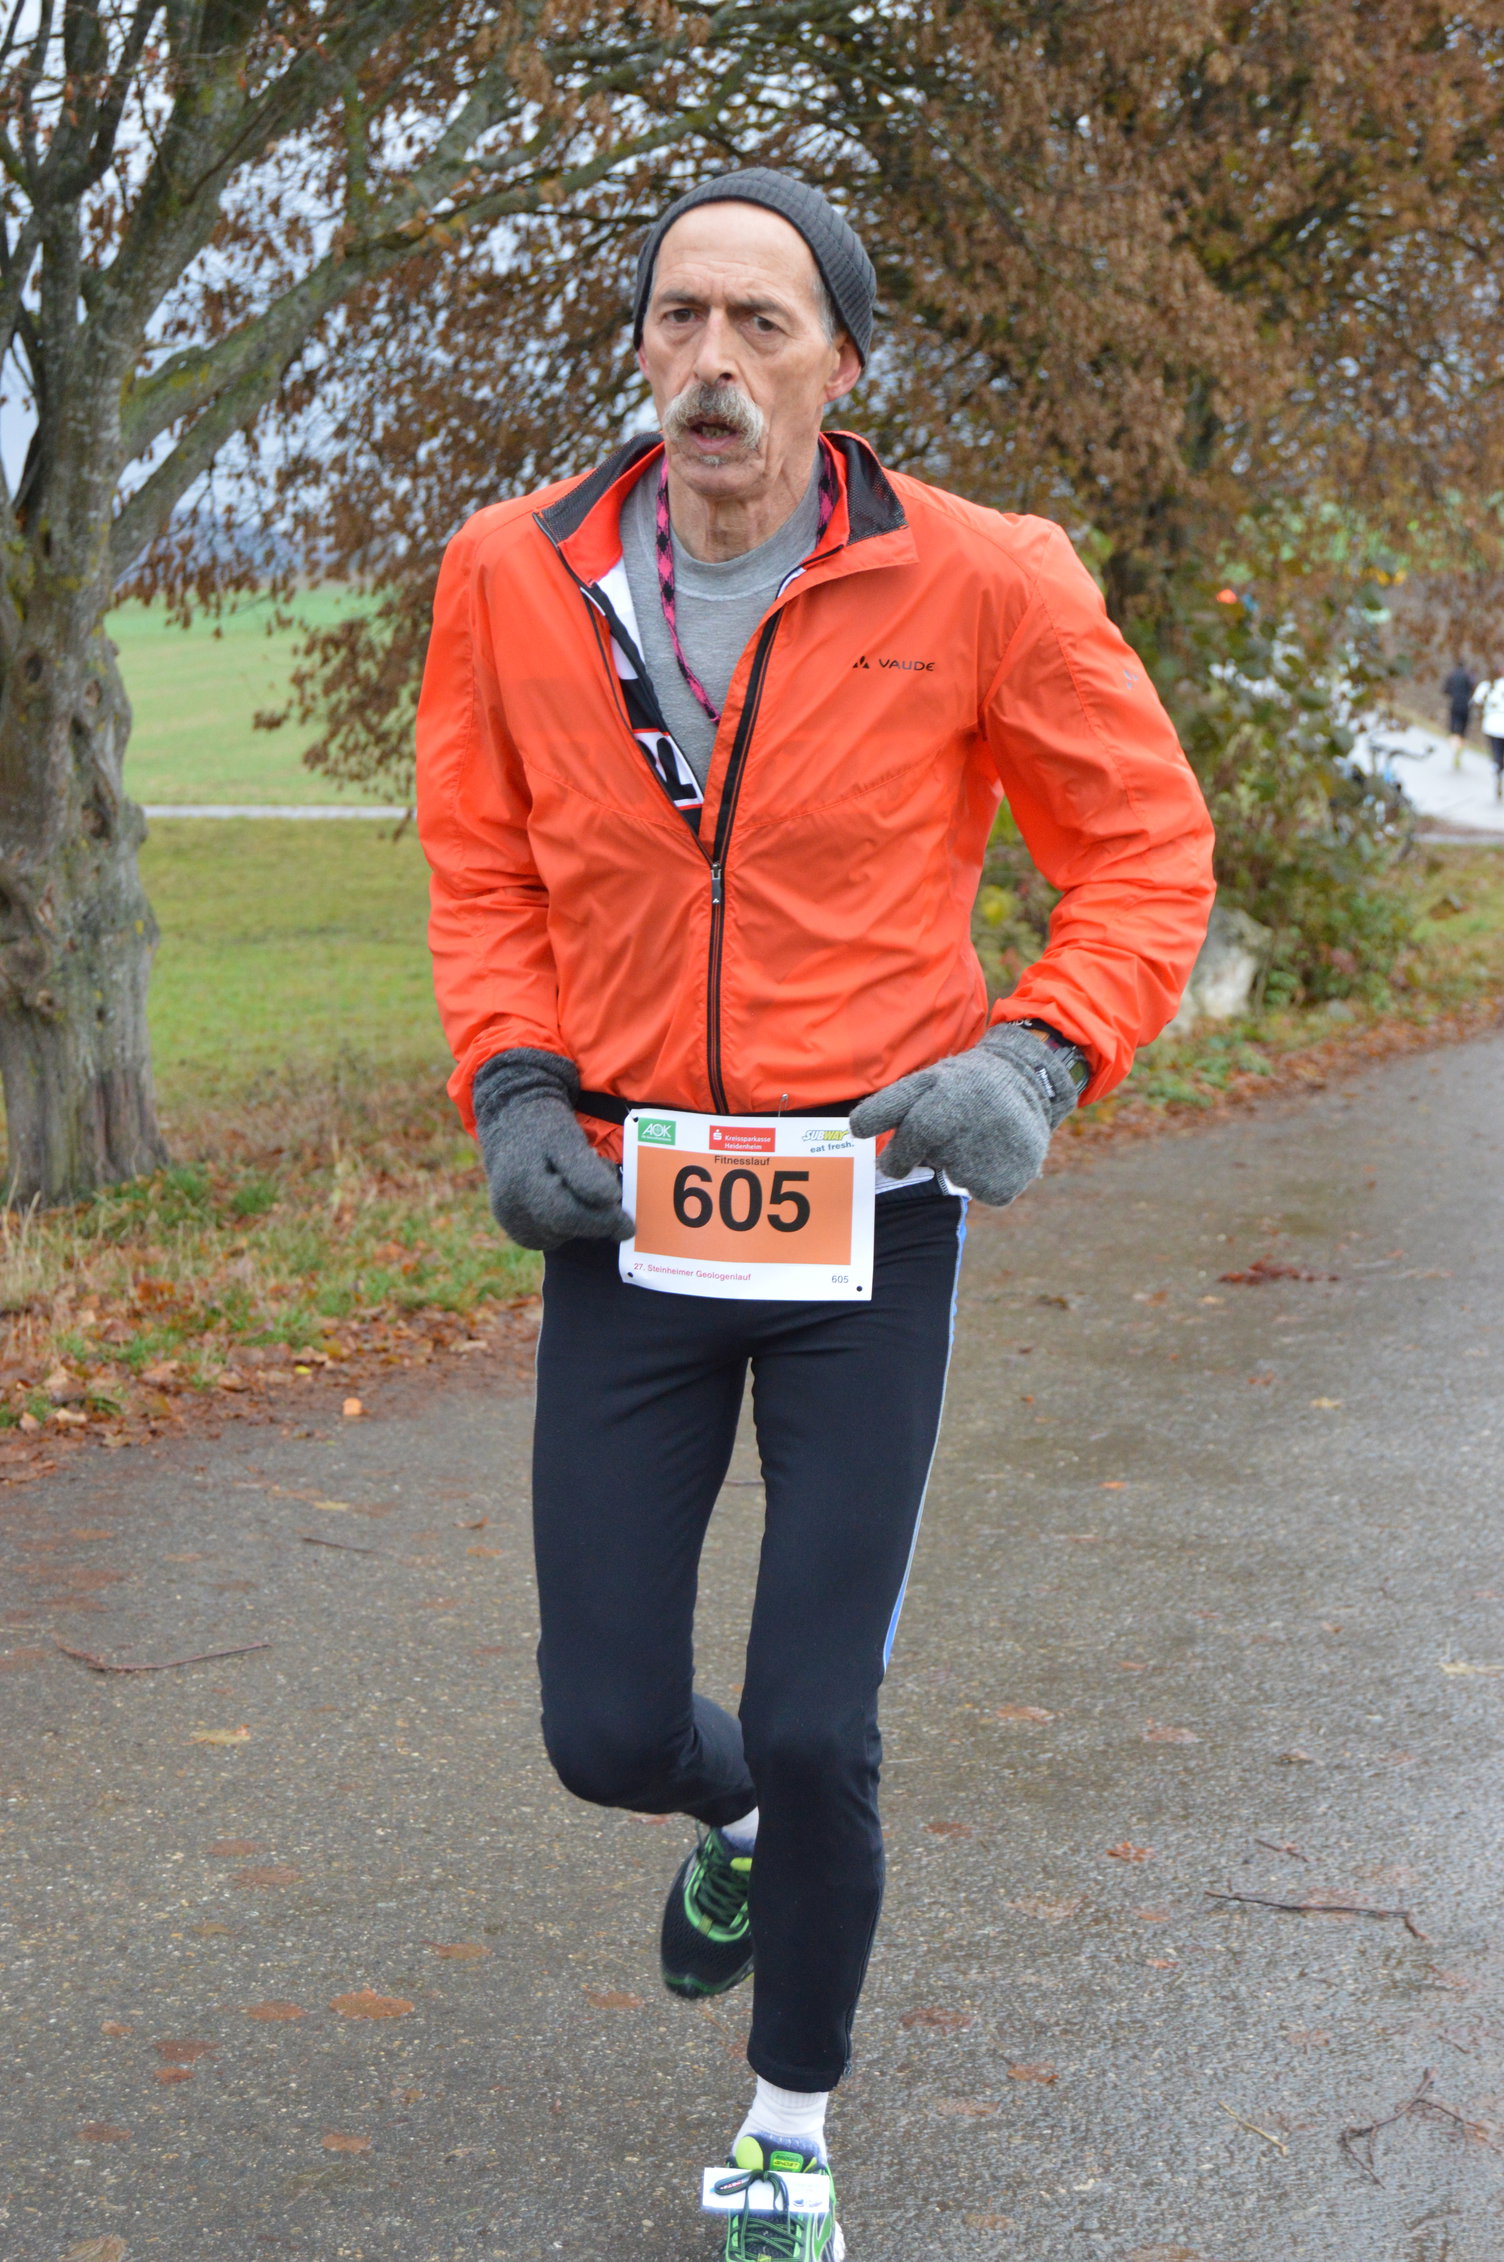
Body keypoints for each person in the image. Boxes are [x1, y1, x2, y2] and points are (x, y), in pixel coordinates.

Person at [416, 169, 1215, 2259]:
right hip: (629, 1208)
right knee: (606, 1728)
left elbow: (1142, 850)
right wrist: (512, 1082)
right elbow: (480, 859)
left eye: (759, 323)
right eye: (677, 316)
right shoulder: (509, 573)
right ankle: (736, 1823)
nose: (711, 361)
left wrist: (1036, 1056)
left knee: (814, 1709)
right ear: (640, 348)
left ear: (840, 365)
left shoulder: (983, 576)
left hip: (868, 1211)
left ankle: (785, 2124)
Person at [1473, 670, 1504, 797]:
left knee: (1496, 752)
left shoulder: (1488, 686)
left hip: (1492, 724)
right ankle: (1500, 771)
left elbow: (1476, 701)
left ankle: (1497, 769)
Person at [1445, 659, 1476, 769]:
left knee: (1453, 729)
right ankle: (1459, 753)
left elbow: (1445, 690)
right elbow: (1473, 688)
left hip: (1455, 704)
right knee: (1463, 731)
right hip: (1466, 705)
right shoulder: (1469, 675)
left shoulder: (1452, 675)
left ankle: (1455, 751)